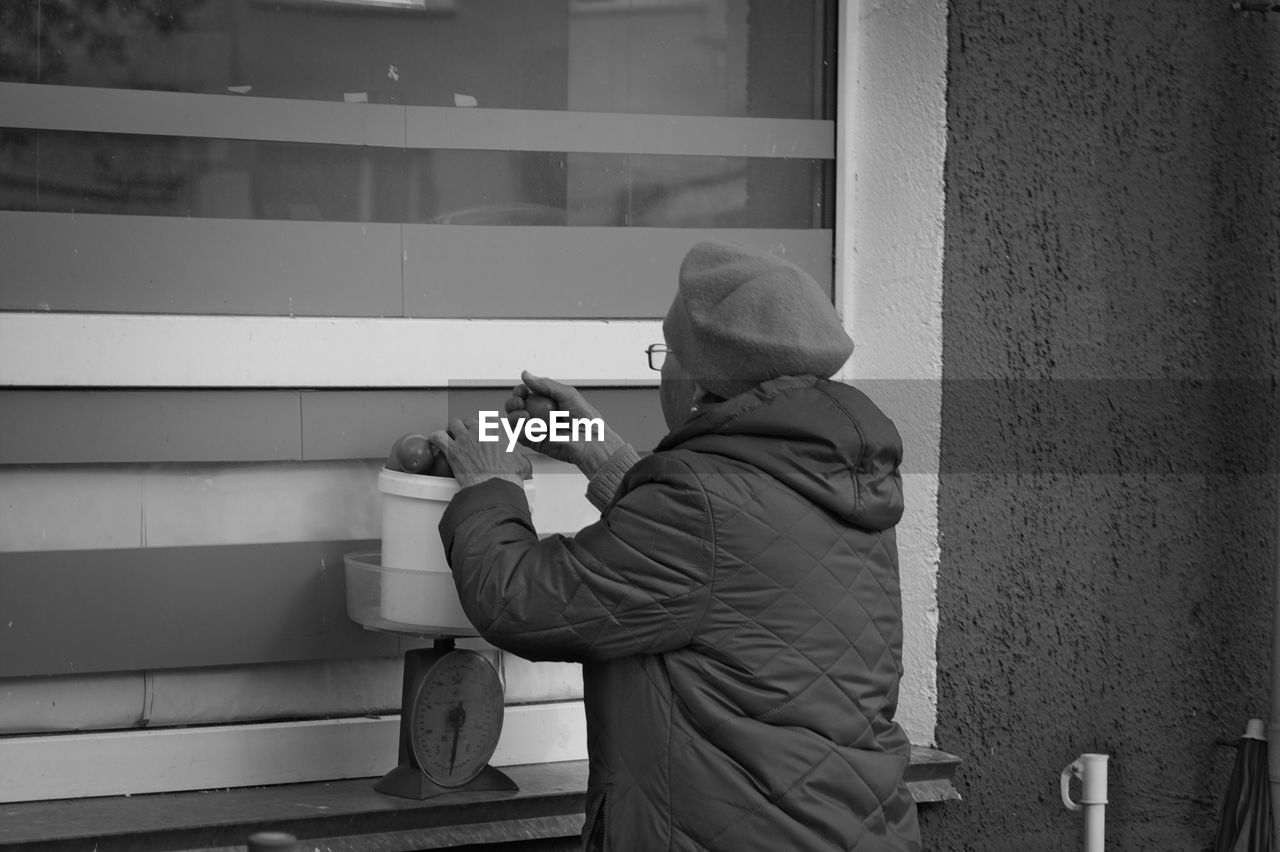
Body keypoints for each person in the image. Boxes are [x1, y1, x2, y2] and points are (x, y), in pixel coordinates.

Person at [429, 240, 920, 852]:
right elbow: (711, 562)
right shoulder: (837, 476)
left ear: (700, 379)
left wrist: (489, 483)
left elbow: (519, 599)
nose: (661, 369)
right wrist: (593, 446)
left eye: (665, 352)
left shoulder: (697, 506)